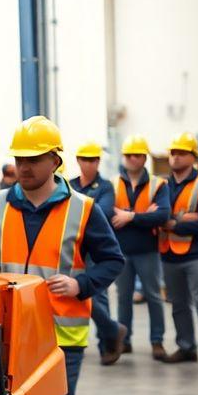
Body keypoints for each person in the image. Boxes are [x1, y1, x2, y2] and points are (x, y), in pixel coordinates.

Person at [0, 116, 124, 395]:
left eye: (34, 159)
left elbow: (112, 260)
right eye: (20, 159)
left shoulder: (84, 209)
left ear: (55, 161)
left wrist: (81, 283)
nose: (23, 167)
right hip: (4, 335)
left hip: (61, 335)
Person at [159, 132, 198, 372]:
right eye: (173, 153)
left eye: (181, 153)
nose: (175, 157)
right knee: (178, 305)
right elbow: (156, 216)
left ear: (193, 156)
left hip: (197, 254)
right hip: (169, 253)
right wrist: (185, 217)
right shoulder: (163, 186)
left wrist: (177, 224)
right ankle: (186, 347)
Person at [110, 134, 170, 360]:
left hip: (148, 251)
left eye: (136, 155)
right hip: (121, 251)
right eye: (128, 155)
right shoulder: (112, 184)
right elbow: (106, 214)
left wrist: (129, 216)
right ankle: (124, 341)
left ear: (144, 158)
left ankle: (157, 342)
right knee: (124, 297)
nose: (131, 159)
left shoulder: (159, 185)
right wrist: (146, 216)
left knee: (154, 296)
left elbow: (163, 215)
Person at [70, 140, 127, 365]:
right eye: (85, 159)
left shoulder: (105, 187)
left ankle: (107, 343)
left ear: (98, 162)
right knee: (81, 296)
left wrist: (78, 211)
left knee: (97, 298)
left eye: (93, 160)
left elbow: (101, 212)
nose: (88, 164)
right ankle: (113, 331)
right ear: (78, 161)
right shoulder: (70, 184)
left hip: (94, 251)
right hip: (72, 248)